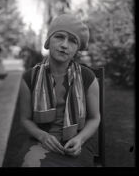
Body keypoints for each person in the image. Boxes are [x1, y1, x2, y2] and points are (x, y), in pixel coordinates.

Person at [18, 13, 100, 167]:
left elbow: (95, 118)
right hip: (41, 141)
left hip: (76, 141)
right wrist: (42, 136)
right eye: (59, 37)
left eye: (72, 41)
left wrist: (80, 139)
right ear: (48, 41)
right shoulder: (29, 78)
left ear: (77, 49)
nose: (64, 45)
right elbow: (25, 119)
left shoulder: (87, 77)